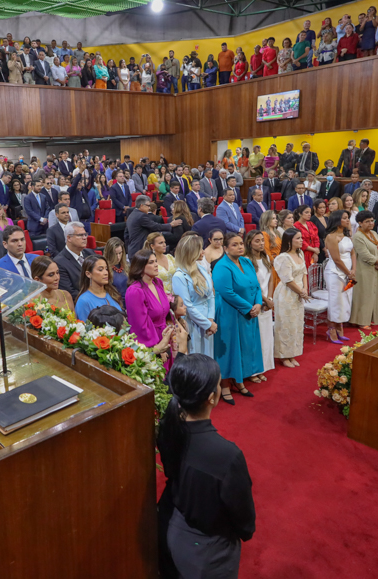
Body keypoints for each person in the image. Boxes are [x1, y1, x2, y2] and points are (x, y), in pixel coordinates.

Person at [157, 352, 256, 579]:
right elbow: (244, 522)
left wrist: (181, 351)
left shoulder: (166, 427)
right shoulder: (226, 455)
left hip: (168, 521)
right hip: (204, 551)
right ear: (212, 397)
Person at [211, 231, 264, 402]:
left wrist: (258, 304)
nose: (240, 247)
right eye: (235, 244)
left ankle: (239, 381)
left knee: (244, 347)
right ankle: (225, 385)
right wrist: (249, 307)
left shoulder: (247, 262)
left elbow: (256, 285)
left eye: (241, 243)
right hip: (229, 314)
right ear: (225, 248)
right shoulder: (221, 266)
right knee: (229, 349)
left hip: (248, 313)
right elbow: (226, 292)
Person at [171, 232, 216, 360]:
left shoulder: (201, 268)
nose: (203, 251)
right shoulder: (179, 276)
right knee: (196, 358)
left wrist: (211, 319)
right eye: (200, 249)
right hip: (193, 323)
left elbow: (211, 296)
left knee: (208, 358)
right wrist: (206, 324)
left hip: (207, 320)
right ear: (191, 252)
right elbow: (187, 306)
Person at [273, 229, 308, 368]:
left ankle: (292, 353)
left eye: (301, 238)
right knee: (286, 325)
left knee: (296, 324)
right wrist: (301, 291)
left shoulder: (300, 253)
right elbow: (288, 280)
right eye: (298, 238)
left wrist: (305, 289)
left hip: (299, 293)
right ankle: (283, 355)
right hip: (287, 294)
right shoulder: (283, 257)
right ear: (289, 240)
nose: (301, 241)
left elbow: (304, 273)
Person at [125, 249, 171, 350]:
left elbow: (164, 313)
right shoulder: (135, 291)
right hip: (150, 344)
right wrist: (156, 347)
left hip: (165, 338)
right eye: (151, 262)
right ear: (140, 267)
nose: (156, 265)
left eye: (155, 261)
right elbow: (140, 326)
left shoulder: (158, 283)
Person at [245, 230, 274, 377]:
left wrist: (270, 298)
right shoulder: (246, 260)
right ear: (250, 243)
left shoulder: (266, 258)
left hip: (266, 302)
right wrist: (263, 299)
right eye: (257, 241)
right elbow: (252, 284)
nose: (261, 243)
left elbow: (270, 280)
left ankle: (262, 368)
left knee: (266, 337)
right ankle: (253, 371)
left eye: (262, 240)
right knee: (255, 338)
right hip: (253, 302)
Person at [323, 210, 354, 343]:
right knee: (335, 301)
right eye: (345, 218)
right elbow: (336, 259)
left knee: (346, 299)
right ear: (337, 220)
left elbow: (353, 254)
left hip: (348, 272)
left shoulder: (347, 235)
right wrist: (348, 272)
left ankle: (339, 326)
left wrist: (354, 270)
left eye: (348, 218)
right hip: (335, 273)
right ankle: (331, 329)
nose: (348, 221)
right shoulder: (331, 237)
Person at [350, 210, 378, 326]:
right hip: (363, 269)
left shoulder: (374, 234)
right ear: (360, 223)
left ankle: (370, 318)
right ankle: (361, 321)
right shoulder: (358, 236)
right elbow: (365, 255)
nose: (371, 223)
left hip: (375, 268)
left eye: (372, 221)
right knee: (364, 295)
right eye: (367, 221)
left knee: (373, 294)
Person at [74, 255, 124, 321]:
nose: (106, 273)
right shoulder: (84, 301)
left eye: (106, 269)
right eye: (100, 270)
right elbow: (85, 329)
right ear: (88, 274)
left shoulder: (112, 292)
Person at [53, 222, 94, 298]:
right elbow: (69, 292)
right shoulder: (59, 262)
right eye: (80, 235)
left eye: (85, 234)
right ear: (69, 238)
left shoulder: (90, 253)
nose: (85, 238)